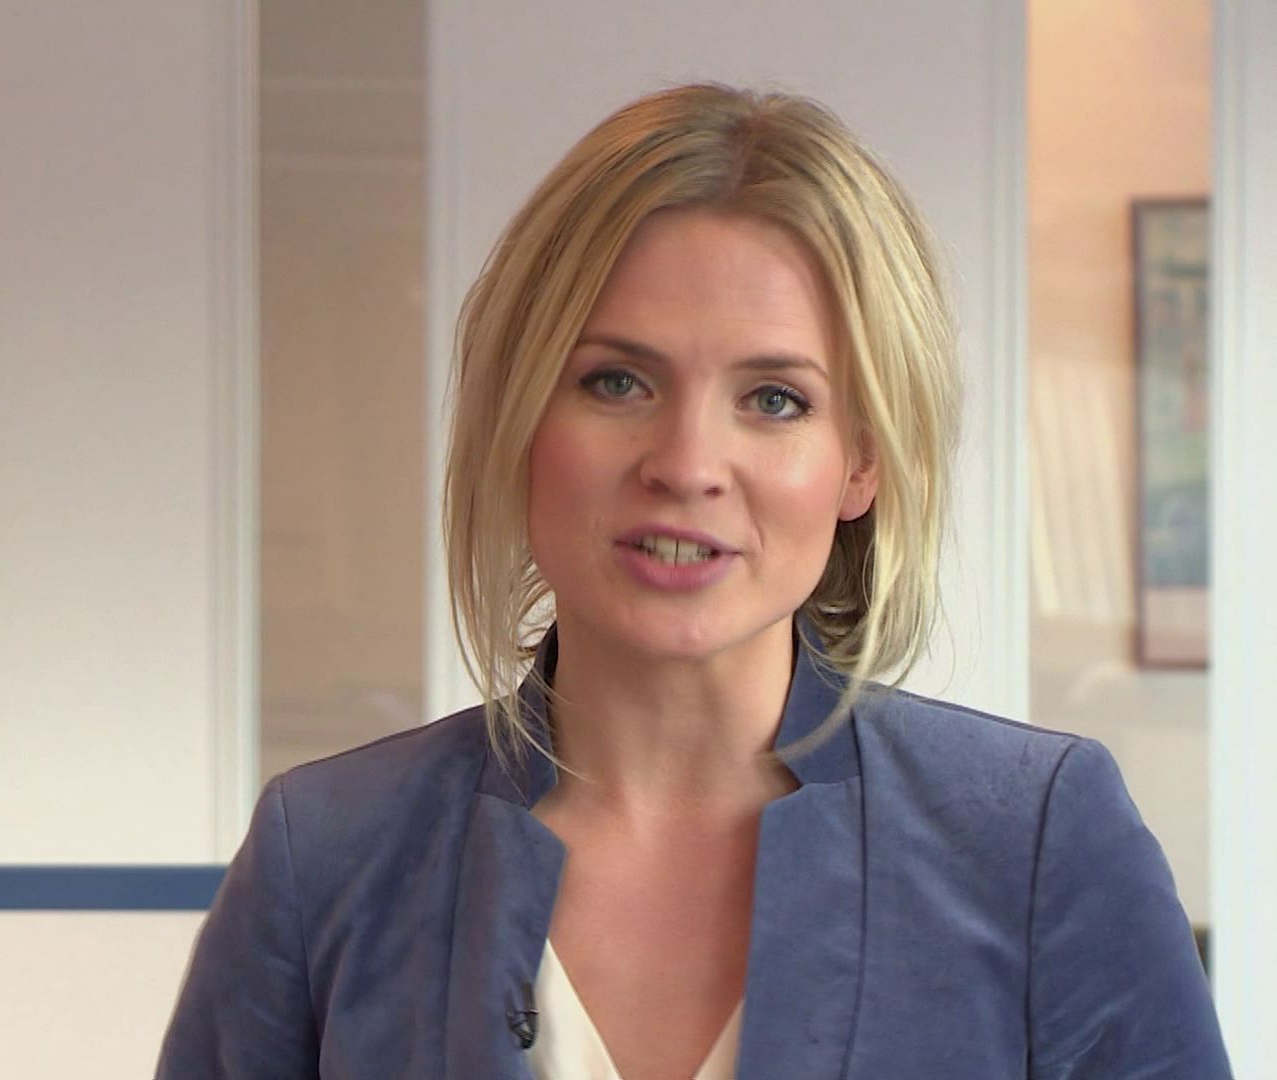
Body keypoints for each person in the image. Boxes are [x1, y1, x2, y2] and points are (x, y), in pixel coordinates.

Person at [154, 82, 1230, 1079]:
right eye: (617, 381)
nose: (685, 464)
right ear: (520, 419)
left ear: (861, 461)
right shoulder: (325, 853)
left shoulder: (1039, 840)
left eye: (774, 400)